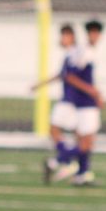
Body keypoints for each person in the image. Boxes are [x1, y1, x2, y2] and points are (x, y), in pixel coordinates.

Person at [53, 20, 104, 186]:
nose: (95, 36)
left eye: (97, 33)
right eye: (93, 32)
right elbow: (71, 77)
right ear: (88, 34)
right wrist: (93, 92)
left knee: (85, 141)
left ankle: (81, 175)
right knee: (87, 142)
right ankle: (58, 161)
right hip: (86, 102)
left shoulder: (83, 51)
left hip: (82, 102)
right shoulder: (85, 52)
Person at [31, 24, 79, 184]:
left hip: (70, 101)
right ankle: (65, 162)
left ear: (71, 37)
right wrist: (41, 84)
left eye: (64, 36)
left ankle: (65, 162)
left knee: (55, 130)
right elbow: (62, 76)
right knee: (74, 134)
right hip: (69, 100)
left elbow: (74, 77)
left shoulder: (75, 54)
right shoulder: (69, 55)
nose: (61, 39)